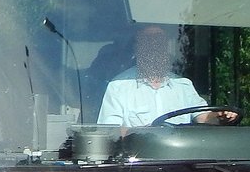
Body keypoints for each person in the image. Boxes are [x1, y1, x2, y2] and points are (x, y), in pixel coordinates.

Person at [96, 24, 238, 127]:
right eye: (149, 41)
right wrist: (142, 135)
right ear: (138, 47)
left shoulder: (183, 85)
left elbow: (204, 117)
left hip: (181, 161)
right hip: (137, 161)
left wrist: (222, 116)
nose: (155, 47)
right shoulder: (119, 86)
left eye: (159, 41)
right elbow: (110, 131)